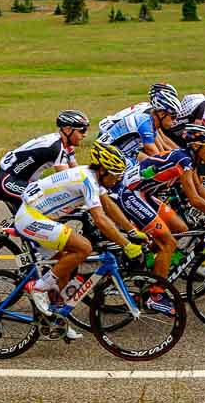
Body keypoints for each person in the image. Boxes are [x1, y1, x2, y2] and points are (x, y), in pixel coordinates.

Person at [12, 143, 150, 338]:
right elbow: (100, 219)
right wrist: (126, 244)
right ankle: (39, 288)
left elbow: (109, 206)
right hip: (31, 218)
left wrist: (132, 231)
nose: (118, 179)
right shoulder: (88, 181)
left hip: (39, 217)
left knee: (65, 268)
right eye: (115, 174)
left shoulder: (94, 177)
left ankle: (54, 317)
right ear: (102, 170)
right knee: (84, 248)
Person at [111, 124, 205, 284]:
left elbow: (200, 190)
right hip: (129, 193)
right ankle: (156, 293)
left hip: (143, 193)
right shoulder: (184, 161)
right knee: (168, 242)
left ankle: (149, 259)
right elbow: (195, 200)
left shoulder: (190, 160)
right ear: (197, 146)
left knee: (181, 228)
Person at [0, 110, 89, 210]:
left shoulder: (66, 146)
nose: (85, 134)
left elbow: (75, 170)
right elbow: (67, 177)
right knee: (46, 205)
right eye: (82, 130)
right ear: (68, 130)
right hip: (8, 181)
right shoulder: (55, 147)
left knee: (54, 202)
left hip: (24, 180)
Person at [98, 84, 181, 160]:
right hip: (106, 141)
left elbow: (161, 145)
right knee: (152, 167)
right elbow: (153, 151)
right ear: (162, 113)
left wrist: (179, 154)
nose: (175, 121)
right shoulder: (146, 119)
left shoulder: (151, 116)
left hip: (116, 144)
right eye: (173, 117)